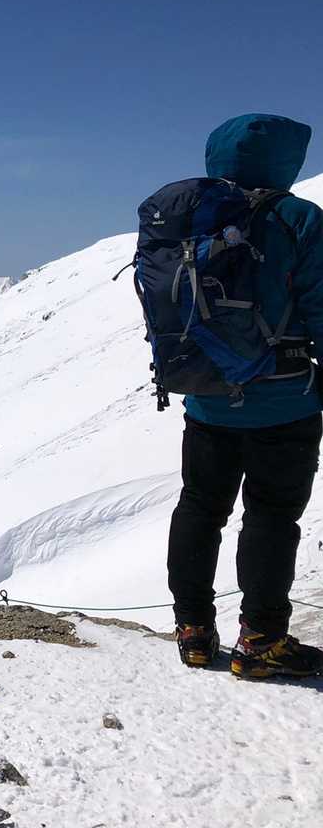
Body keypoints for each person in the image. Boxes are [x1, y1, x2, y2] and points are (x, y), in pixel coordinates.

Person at [167, 114, 323, 678]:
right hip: (285, 403)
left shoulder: (187, 217)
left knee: (199, 507)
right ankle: (260, 640)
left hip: (206, 398)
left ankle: (192, 630)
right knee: (272, 518)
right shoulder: (300, 219)